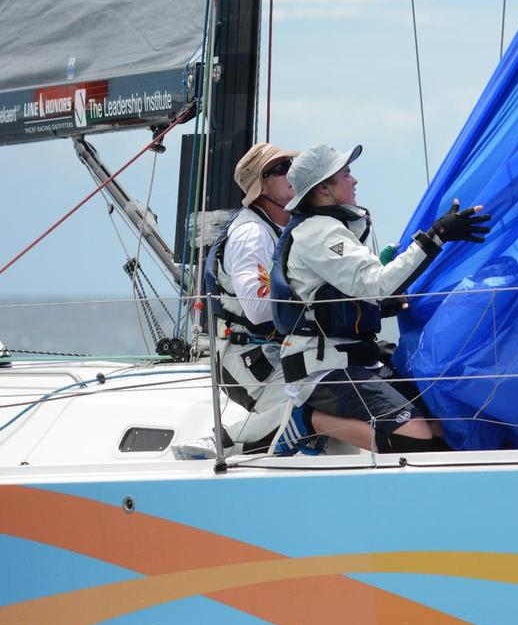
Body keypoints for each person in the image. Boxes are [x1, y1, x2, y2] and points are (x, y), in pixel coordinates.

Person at [271, 143, 490, 454]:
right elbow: (379, 285)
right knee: (413, 438)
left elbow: (361, 296)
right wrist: (437, 235)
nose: (355, 180)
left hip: (357, 357)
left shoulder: (333, 229)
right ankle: (307, 422)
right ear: (324, 189)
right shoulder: (319, 235)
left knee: (445, 427)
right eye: (346, 174)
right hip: (324, 369)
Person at [174, 142, 369, 459]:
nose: (290, 171)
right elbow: (258, 309)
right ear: (261, 186)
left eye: (292, 164)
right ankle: (223, 442)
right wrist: (316, 298)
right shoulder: (252, 234)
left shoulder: (288, 227)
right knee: (306, 401)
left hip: (277, 347)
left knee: (343, 385)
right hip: (247, 353)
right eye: (279, 169)